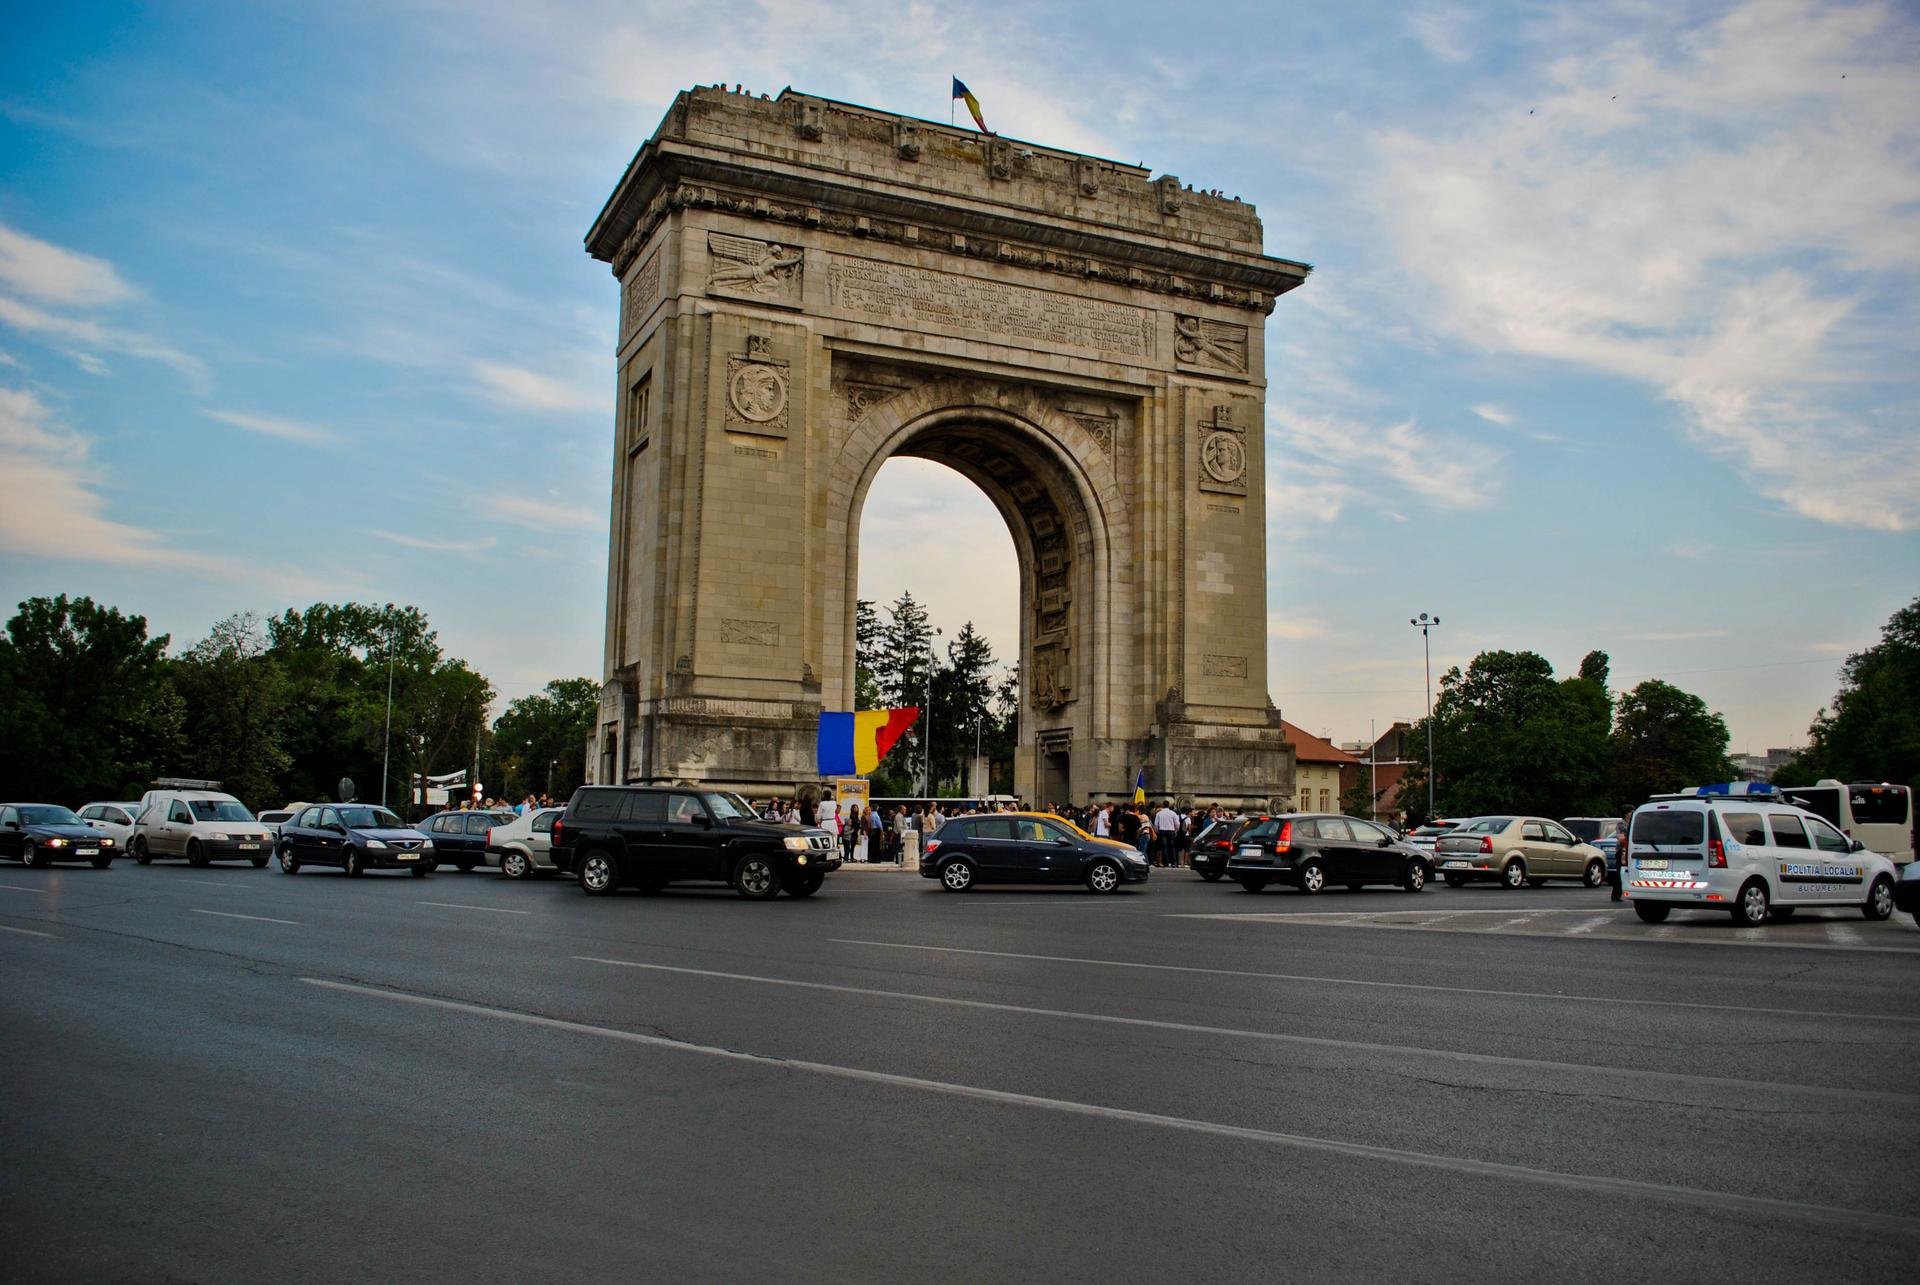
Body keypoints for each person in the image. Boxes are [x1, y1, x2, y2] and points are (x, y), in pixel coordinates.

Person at [1153, 800, 1182, 868]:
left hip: (1162, 830)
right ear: (1168, 805)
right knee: (1172, 847)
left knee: (1164, 847)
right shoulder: (1173, 813)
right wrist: (1175, 831)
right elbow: (1177, 824)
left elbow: (1156, 825)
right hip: (1171, 831)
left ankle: (1166, 862)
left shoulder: (1159, 813)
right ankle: (1173, 862)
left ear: (1163, 805)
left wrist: (1158, 831)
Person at [1610, 812, 1630, 902]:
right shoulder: (1621, 824)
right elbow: (1621, 838)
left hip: (1629, 849)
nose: (1632, 813)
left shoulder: (1631, 822)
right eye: (1631, 812)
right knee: (1619, 873)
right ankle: (1616, 895)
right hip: (1622, 850)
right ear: (1626, 813)